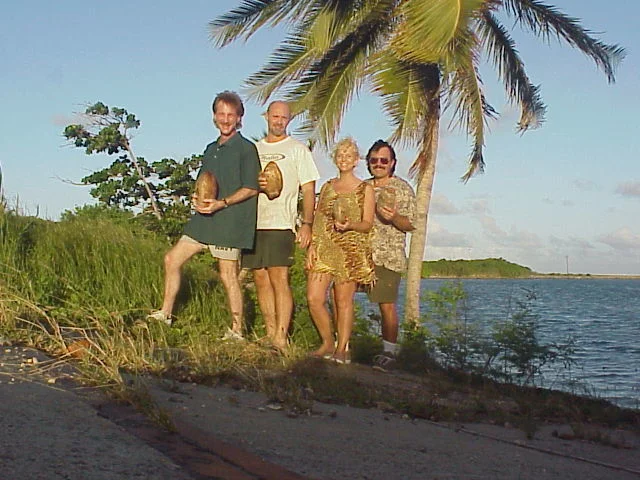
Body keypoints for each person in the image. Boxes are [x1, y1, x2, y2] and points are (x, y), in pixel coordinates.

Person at [148, 91, 260, 340]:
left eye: (231, 115)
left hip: (230, 220)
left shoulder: (246, 148)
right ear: (214, 116)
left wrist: (222, 203)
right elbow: (203, 182)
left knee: (228, 275)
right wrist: (196, 199)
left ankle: (236, 331)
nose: (226, 119)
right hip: (204, 219)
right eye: (221, 114)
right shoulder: (210, 149)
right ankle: (165, 313)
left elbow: (252, 187)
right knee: (171, 260)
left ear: (240, 117)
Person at [241, 101, 319, 350]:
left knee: (279, 278)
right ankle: (270, 332)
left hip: (281, 223)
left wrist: (307, 224)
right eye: (275, 116)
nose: (278, 121)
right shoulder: (254, 149)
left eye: (283, 117)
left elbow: (308, 189)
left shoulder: (297, 149)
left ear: (289, 120)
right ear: (267, 117)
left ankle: (281, 337)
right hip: (254, 223)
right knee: (260, 279)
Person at [306, 138, 376, 364]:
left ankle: (343, 348)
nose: (344, 159)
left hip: (351, 249)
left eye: (349, 155)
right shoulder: (328, 186)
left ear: (356, 160)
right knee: (314, 298)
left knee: (343, 301)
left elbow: (367, 223)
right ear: (335, 159)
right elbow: (318, 218)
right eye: (340, 155)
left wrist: (350, 226)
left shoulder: (366, 189)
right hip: (325, 247)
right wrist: (312, 247)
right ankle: (328, 341)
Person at [364, 140, 416, 371]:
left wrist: (393, 217)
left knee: (386, 305)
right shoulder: (362, 187)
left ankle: (389, 353)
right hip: (360, 255)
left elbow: (410, 224)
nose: (379, 164)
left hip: (388, 256)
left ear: (392, 163)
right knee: (340, 295)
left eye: (384, 160)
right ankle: (341, 345)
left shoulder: (402, 189)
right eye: (374, 160)